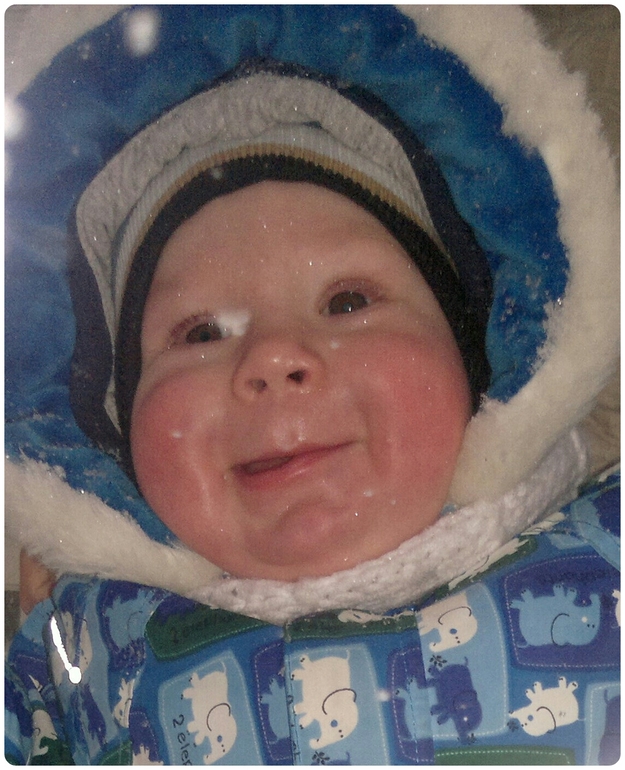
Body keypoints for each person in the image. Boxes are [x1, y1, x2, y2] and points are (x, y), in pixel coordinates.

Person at [5, 6, 619, 765]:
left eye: (348, 301)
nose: (272, 356)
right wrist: (49, 632)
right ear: (115, 434)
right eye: (201, 333)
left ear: (479, 361)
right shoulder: (82, 642)